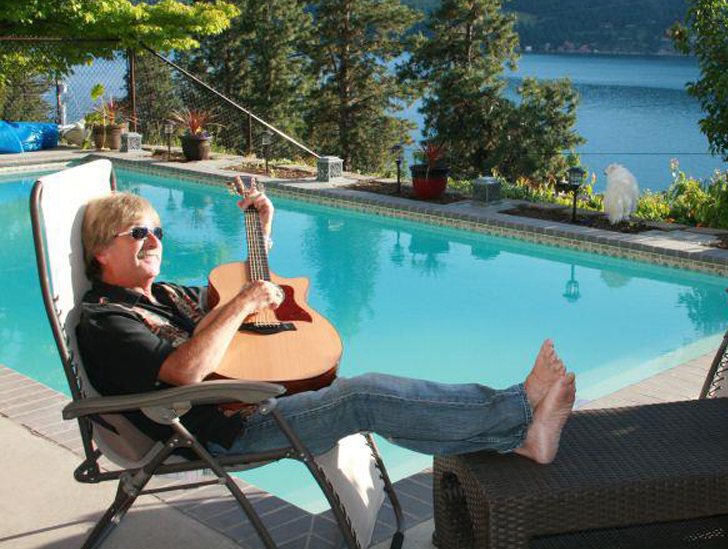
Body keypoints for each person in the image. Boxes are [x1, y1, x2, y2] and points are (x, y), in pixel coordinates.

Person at [76, 183, 576, 465]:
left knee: (375, 400)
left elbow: (238, 297)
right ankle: (518, 407)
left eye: (158, 232)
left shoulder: (167, 294)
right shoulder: (107, 319)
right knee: (364, 396)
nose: (153, 241)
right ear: (101, 249)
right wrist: (244, 302)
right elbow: (184, 371)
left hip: (255, 400)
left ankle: (519, 439)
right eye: (137, 233)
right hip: (224, 432)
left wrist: (261, 232)